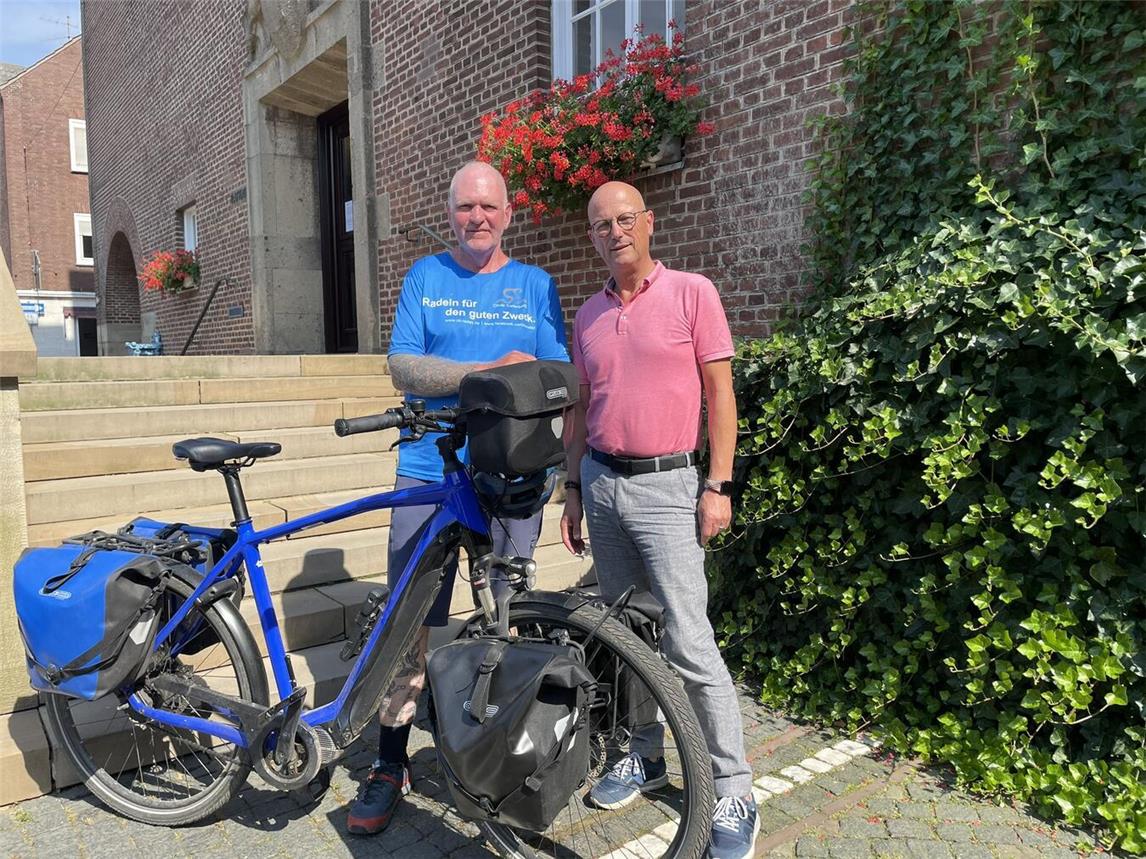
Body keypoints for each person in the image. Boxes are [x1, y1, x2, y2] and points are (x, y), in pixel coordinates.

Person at [347, 160, 569, 836]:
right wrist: (486, 372)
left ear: (508, 213)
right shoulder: (425, 276)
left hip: (513, 477)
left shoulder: (535, 285)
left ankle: (496, 760)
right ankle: (390, 762)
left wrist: (557, 462)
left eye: (488, 207)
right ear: (452, 215)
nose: (477, 217)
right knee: (410, 625)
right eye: (465, 208)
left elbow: (554, 373)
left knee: (503, 617)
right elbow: (404, 365)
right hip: (428, 474)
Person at [560, 181, 758, 859]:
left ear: (648, 223)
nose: (613, 231)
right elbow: (580, 410)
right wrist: (572, 487)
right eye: (599, 224)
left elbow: (720, 394)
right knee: (624, 636)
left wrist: (719, 483)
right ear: (591, 237)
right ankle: (641, 754)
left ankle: (732, 785)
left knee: (689, 641)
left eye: (624, 219)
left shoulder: (691, 292)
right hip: (602, 484)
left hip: (670, 484)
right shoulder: (585, 315)